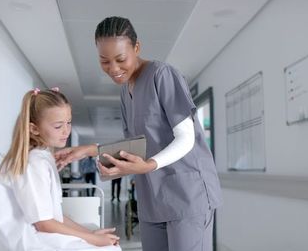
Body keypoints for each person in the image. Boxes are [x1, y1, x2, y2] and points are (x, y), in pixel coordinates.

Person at [55, 16, 222, 251]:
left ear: (137, 47)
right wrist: (88, 150)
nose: (113, 69)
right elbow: (133, 145)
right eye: (104, 61)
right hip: (152, 198)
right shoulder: (126, 92)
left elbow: (186, 137)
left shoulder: (162, 75)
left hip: (187, 196)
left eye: (120, 59)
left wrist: (148, 165)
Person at [0, 88, 120, 251]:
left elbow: (53, 216)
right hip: (27, 241)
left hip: (36, 234)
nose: (66, 131)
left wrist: (92, 234)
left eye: (69, 122)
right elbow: (44, 224)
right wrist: (93, 239)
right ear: (34, 129)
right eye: (58, 126)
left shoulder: (42, 157)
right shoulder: (34, 163)